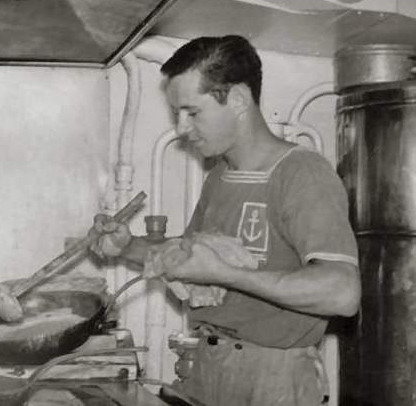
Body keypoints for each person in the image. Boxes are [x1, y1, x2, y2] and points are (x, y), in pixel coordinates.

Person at [91, 35, 361, 406]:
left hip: (274, 377)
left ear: (238, 99)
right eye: (177, 114)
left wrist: (226, 274)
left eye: (192, 112)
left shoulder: (302, 174)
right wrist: (128, 246)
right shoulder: (220, 175)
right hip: (210, 364)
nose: (182, 128)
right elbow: (188, 259)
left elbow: (343, 293)